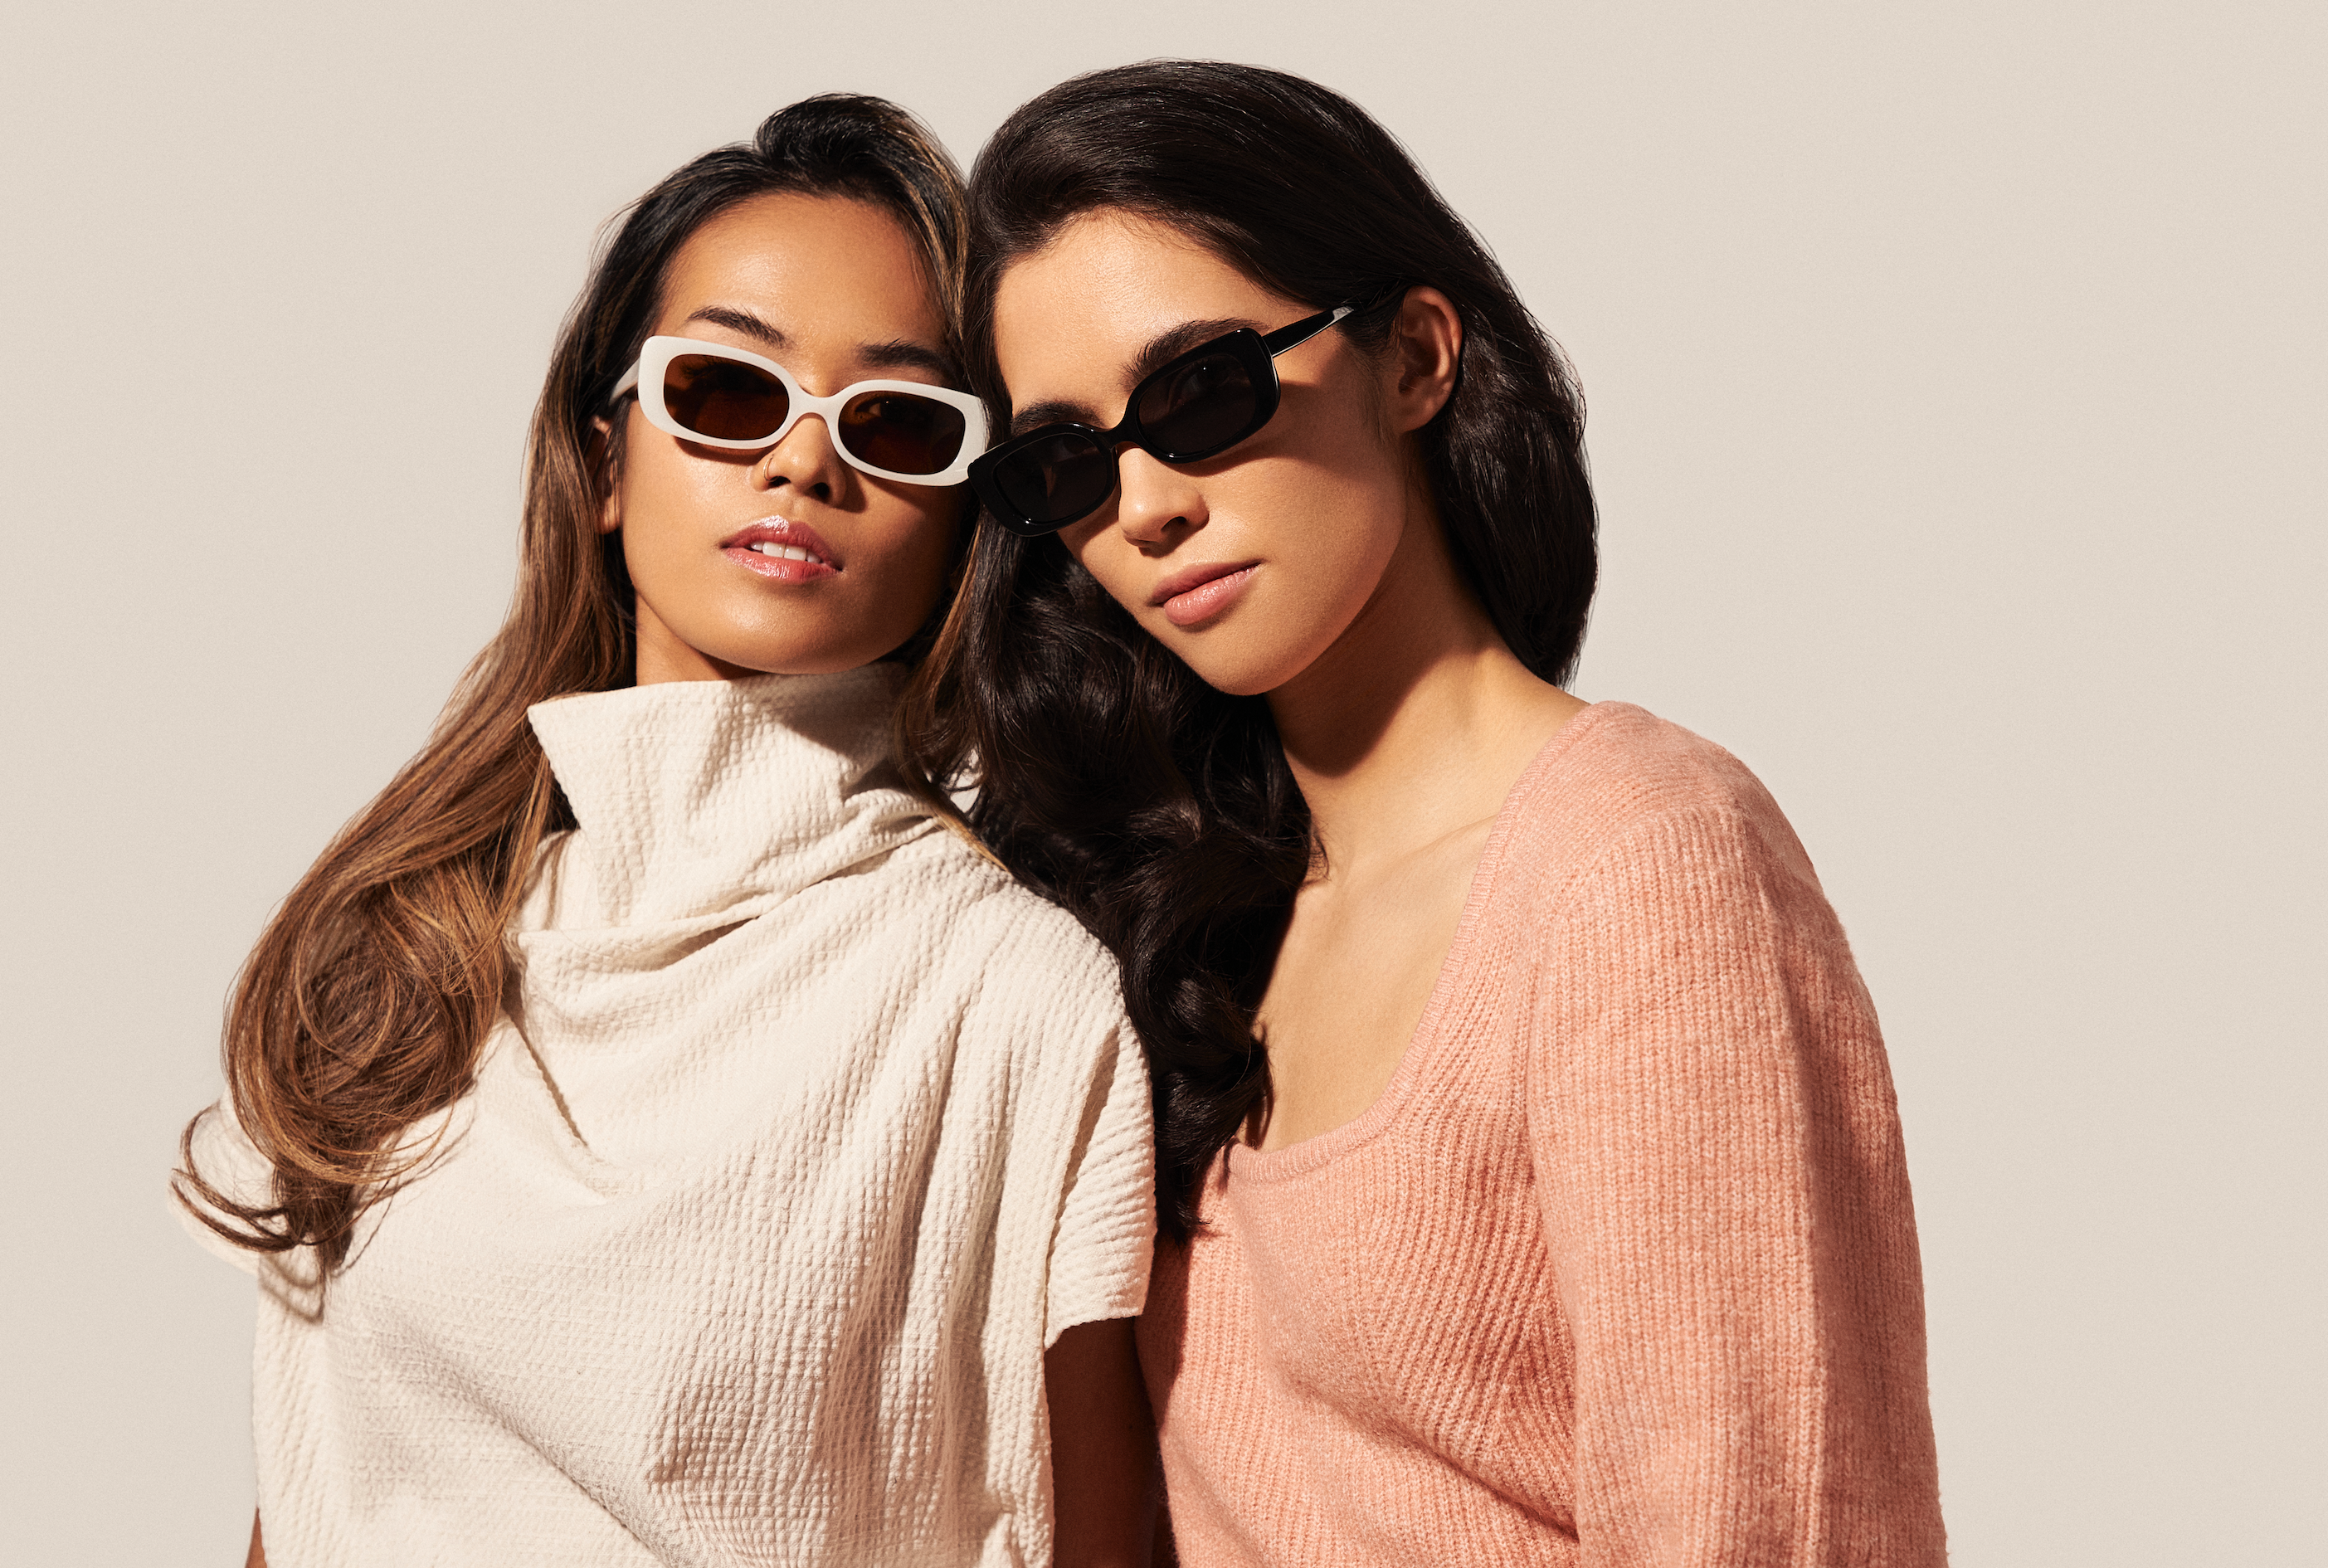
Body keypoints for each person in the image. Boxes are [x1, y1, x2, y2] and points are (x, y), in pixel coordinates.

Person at [903, 61, 1947, 1565]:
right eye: (1068, 460)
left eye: (1200, 393)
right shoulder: (1179, 914)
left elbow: (1762, 1523)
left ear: (1412, 358)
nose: (1143, 508)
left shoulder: (1638, 865)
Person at [176, 96, 1157, 1568]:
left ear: (963, 523)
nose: (801, 463)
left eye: (891, 422)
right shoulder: (418, 956)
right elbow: (320, 1498)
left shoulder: (1011, 996)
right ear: (606, 463)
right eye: (725, 389)